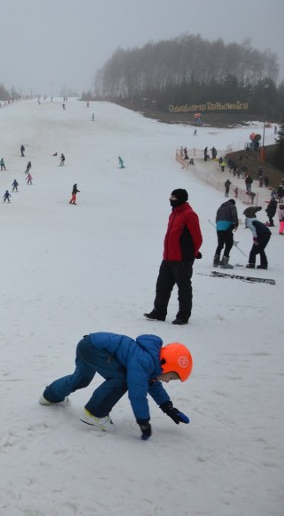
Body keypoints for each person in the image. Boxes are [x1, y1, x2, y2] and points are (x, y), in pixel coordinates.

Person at [39, 332, 192, 440]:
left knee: (81, 379)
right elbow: (137, 392)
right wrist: (143, 421)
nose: (167, 381)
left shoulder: (151, 360)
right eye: (171, 377)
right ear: (166, 365)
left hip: (87, 344)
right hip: (95, 348)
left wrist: (168, 407)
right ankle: (95, 413)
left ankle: (50, 396)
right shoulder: (144, 361)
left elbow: (151, 384)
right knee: (124, 379)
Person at [144, 189, 202, 325]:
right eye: (171, 197)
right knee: (162, 286)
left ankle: (183, 315)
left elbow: (197, 238)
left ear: (181, 199)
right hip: (168, 257)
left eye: (174, 197)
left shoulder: (189, 215)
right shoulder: (174, 214)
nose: (171, 200)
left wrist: (192, 253)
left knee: (184, 288)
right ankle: (159, 312)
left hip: (182, 259)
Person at [213, 199, 237, 269]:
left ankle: (216, 261)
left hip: (219, 227)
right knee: (229, 243)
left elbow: (217, 218)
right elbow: (234, 215)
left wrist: (219, 225)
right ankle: (224, 262)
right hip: (227, 226)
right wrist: (236, 224)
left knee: (220, 244)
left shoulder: (220, 208)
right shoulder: (232, 206)